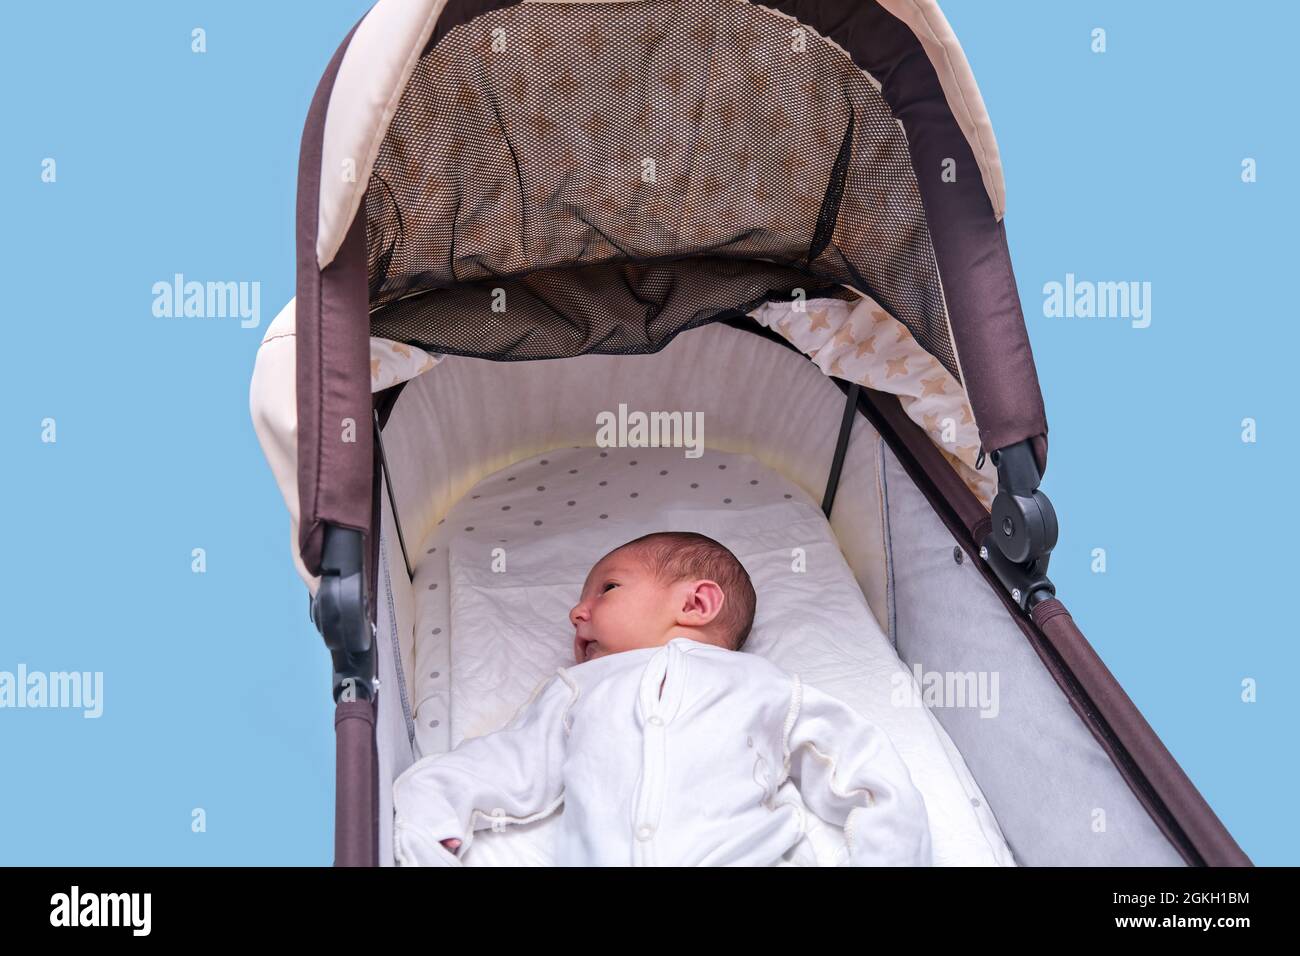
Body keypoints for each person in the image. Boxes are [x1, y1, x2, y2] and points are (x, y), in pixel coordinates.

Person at [392, 531, 932, 866]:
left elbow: (868, 774)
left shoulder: (764, 687)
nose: (577, 613)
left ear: (697, 603)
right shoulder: (579, 691)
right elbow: (503, 767)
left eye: (606, 589)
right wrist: (430, 819)